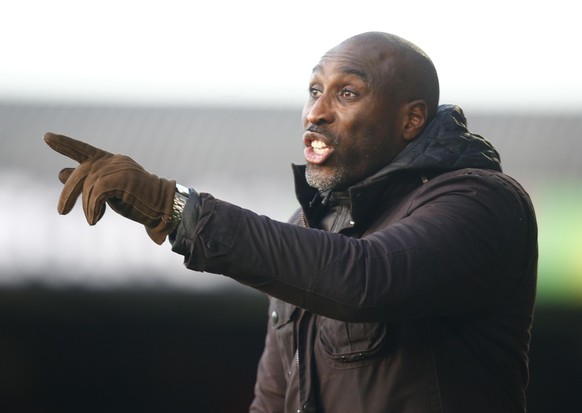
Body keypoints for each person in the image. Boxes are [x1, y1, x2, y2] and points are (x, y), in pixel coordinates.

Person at [45, 32, 538, 413]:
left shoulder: (482, 200)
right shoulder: (307, 226)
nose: (317, 111)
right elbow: (274, 397)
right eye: (314, 90)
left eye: (347, 93)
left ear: (411, 120)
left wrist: (173, 207)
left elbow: (363, 279)